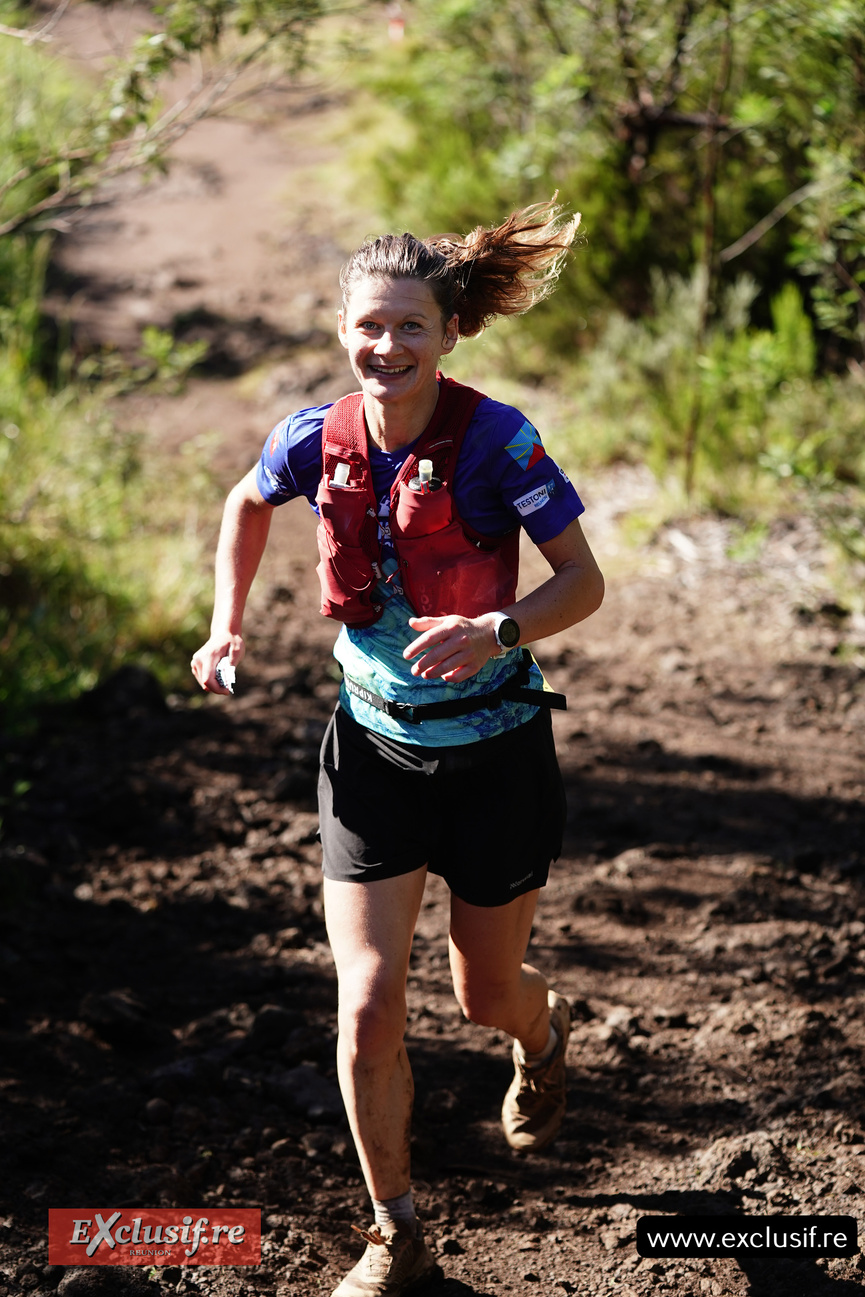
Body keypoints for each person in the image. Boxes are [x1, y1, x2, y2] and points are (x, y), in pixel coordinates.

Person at [191, 201, 604, 1297]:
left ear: (448, 334)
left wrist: (500, 628)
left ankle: (544, 1035)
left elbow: (583, 581)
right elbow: (245, 500)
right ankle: (396, 1233)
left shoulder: (498, 441)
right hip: (373, 751)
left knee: (483, 995)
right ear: (343, 330)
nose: (387, 348)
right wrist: (225, 622)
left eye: (409, 328)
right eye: (369, 327)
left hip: (497, 753)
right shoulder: (310, 436)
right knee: (367, 1004)